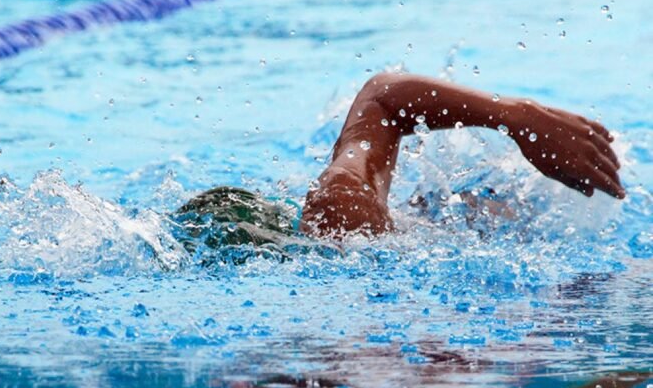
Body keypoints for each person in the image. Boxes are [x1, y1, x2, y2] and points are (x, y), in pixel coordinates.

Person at [175, 73, 623, 245]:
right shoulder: (340, 217)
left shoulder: (338, 212)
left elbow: (386, 97)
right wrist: (514, 115)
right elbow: (382, 99)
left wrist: (520, 117)